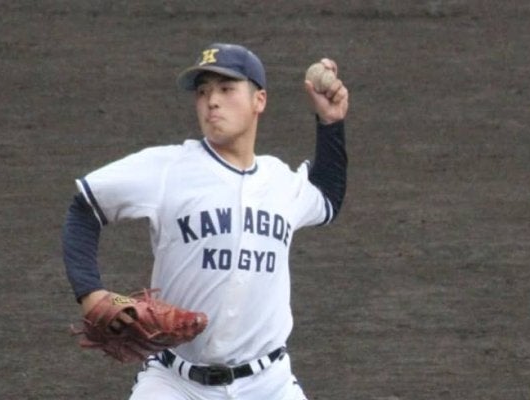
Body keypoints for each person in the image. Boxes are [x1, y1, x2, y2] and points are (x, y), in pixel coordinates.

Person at [62, 42, 349, 400]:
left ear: (259, 100)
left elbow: (326, 197)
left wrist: (331, 123)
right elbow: (85, 208)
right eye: (203, 92)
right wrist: (91, 294)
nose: (212, 101)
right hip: (174, 382)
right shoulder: (167, 168)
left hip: (269, 383)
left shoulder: (280, 181)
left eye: (226, 89)